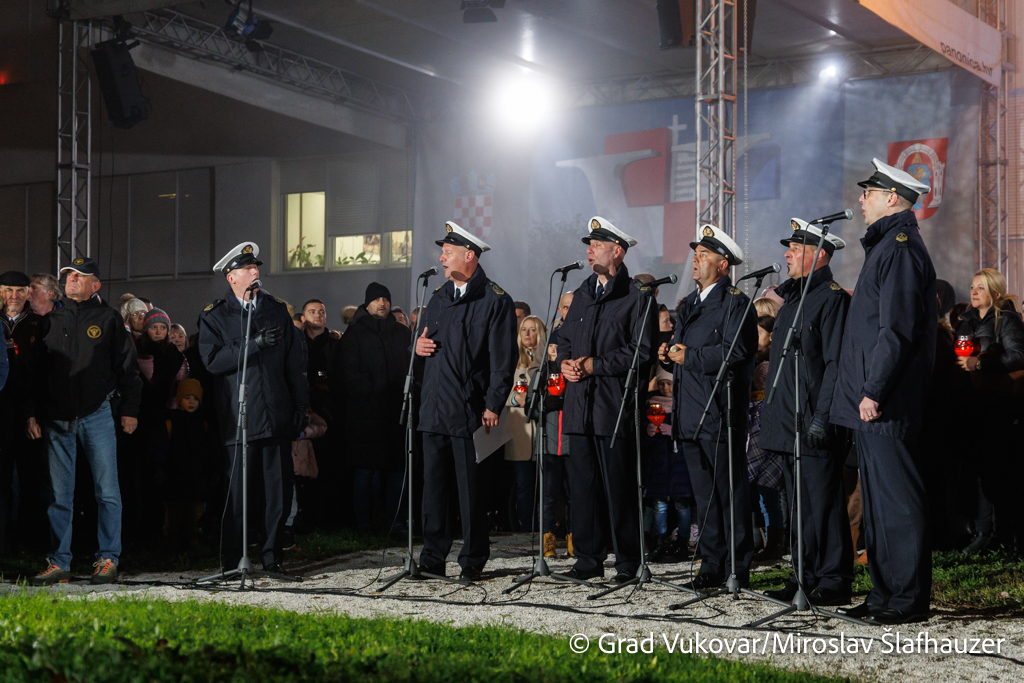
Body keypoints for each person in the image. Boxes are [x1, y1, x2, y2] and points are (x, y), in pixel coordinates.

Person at [831, 158, 937, 625]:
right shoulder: (886, 247)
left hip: (887, 401)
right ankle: (883, 594)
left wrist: (873, 389)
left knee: (897, 501)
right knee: (876, 503)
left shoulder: (900, 248)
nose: (861, 199)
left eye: (869, 192)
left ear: (891, 197)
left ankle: (907, 599)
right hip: (873, 402)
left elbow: (895, 331)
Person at [25, 257, 141, 585]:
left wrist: (131, 409)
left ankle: (108, 558)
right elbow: (35, 373)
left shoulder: (109, 318)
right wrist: (31, 413)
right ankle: (59, 562)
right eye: (68, 275)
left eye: (79, 276)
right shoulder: (50, 320)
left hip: (97, 414)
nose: (71, 279)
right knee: (59, 495)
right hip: (56, 419)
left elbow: (128, 367)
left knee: (107, 491)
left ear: (95, 284)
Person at [198, 242, 309, 575]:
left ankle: (272, 556)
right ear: (231, 277)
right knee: (239, 496)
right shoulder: (215, 316)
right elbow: (212, 361)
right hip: (240, 419)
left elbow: (295, 363)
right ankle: (235, 560)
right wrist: (253, 344)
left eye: (256, 267)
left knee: (278, 492)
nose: (255, 272)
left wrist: (299, 405)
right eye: (247, 269)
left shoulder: (275, 310)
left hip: (275, 415)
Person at [758, 218, 853, 606]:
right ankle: (804, 574)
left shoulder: (832, 299)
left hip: (813, 419)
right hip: (787, 420)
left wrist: (823, 416)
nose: (787, 255)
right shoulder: (793, 300)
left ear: (820, 255)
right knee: (798, 505)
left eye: (796, 250)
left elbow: (835, 364)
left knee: (823, 503)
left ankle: (834, 579)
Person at [555, 216, 656, 583]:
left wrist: (595, 365)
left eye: (597, 246)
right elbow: (564, 339)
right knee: (582, 489)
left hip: (613, 408)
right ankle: (588, 560)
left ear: (618, 251)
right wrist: (565, 362)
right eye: (589, 245)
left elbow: (641, 352)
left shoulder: (636, 296)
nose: (590, 251)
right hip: (579, 406)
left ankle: (628, 562)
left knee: (619, 488)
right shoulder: (582, 293)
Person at [414, 221, 517, 580]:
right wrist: (417, 347)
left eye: (448, 252)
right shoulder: (438, 296)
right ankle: (432, 557)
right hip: (433, 407)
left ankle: (472, 560)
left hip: (468, 408)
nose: (442, 258)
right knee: (434, 489)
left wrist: (493, 403)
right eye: (442, 252)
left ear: (469, 255)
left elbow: (503, 359)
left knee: (470, 489)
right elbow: (425, 342)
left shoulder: (495, 300)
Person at [659, 224, 757, 591]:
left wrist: (690, 357)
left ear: (723, 264)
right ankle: (711, 566)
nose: (696, 261)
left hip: (718, 413)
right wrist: (667, 355)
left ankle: (736, 568)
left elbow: (737, 352)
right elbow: (682, 352)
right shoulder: (689, 304)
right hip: (690, 415)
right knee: (705, 498)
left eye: (704, 255)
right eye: (695, 255)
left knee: (729, 494)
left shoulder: (736, 303)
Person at [954, 268, 1024, 554]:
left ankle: (1004, 534)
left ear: (995, 293)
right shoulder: (966, 320)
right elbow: (960, 355)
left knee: (1000, 471)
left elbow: (1018, 356)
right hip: (972, 403)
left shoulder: (1006, 319)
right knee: (979, 471)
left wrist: (980, 363)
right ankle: (983, 532)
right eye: (972, 287)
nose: (974, 292)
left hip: (999, 406)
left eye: (980, 287)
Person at [337, 283, 410, 534]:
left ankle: (396, 523)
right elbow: (348, 373)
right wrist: (371, 393)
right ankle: (365, 525)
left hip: (397, 414)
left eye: (386, 299)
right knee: (366, 471)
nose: (382, 303)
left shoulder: (401, 333)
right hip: (365, 415)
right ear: (367, 304)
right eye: (377, 299)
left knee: (397, 471)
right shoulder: (355, 334)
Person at [1, 271, 46, 555]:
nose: (14, 296)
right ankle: (4, 541)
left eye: (20, 290)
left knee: (31, 477)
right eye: (8, 290)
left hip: (29, 411)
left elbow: (42, 372)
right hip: (2, 411)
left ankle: (29, 542)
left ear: (28, 293)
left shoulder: (39, 324)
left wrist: (33, 413)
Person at [161, 378, 219, 550]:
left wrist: (212, 472)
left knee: (195, 510)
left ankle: (193, 539)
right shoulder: (171, 423)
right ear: (179, 400)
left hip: (197, 476)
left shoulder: (203, 424)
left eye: (195, 398)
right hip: (176, 477)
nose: (191, 402)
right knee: (175, 511)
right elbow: (163, 450)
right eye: (187, 397)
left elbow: (210, 451)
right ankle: (172, 541)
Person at [746, 314, 786, 561]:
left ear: (771, 337)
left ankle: (774, 543)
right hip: (755, 427)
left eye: (758, 333)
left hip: (765, 427)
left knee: (768, 490)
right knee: (763, 492)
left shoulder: (770, 364)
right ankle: (769, 543)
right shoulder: (755, 360)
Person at [643, 367, 692, 563]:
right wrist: (648, 433)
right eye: (661, 384)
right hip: (658, 464)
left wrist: (674, 431)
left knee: (682, 505)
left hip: (680, 464)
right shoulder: (651, 405)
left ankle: (682, 542)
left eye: (669, 384)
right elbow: (643, 442)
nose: (665, 388)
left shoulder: (685, 405)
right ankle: (659, 542)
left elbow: (691, 432)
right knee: (659, 505)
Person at [505, 315, 547, 533]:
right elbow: (501, 389)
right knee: (523, 484)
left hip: (543, 430)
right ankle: (526, 528)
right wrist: (515, 398)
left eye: (533, 330)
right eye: (524, 330)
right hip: (520, 431)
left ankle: (546, 527)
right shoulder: (512, 358)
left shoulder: (548, 359)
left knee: (545, 484)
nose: (528, 334)